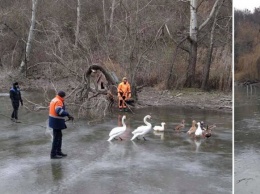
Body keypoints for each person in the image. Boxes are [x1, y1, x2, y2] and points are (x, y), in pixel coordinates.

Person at [49, 91, 74, 159]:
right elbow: (58, 111)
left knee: (59, 137)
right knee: (56, 138)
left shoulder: (54, 99)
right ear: (63, 96)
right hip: (56, 122)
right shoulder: (58, 101)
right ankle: (53, 154)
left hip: (54, 121)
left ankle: (58, 152)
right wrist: (67, 114)